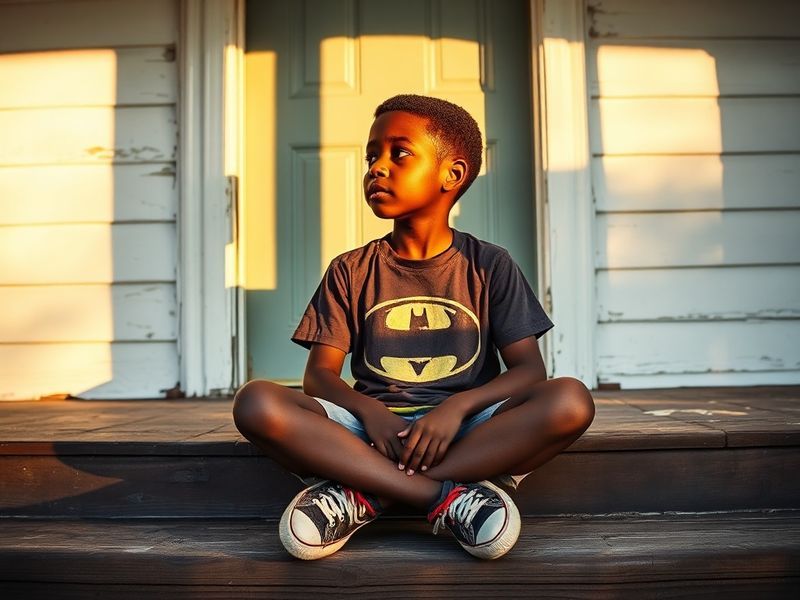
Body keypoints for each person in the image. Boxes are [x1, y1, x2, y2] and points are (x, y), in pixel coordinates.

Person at [232, 94, 595, 561]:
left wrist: (457, 408)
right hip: (369, 433)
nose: (376, 168)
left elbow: (528, 372)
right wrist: (371, 413)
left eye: (398, 153)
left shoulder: (490, 266)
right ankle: (446, 498)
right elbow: (318, 377)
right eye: (371, 156)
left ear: (453, 174)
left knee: (570, 400)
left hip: (465, 430)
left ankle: (365, 494)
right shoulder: (350, 269)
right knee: (257, 401)